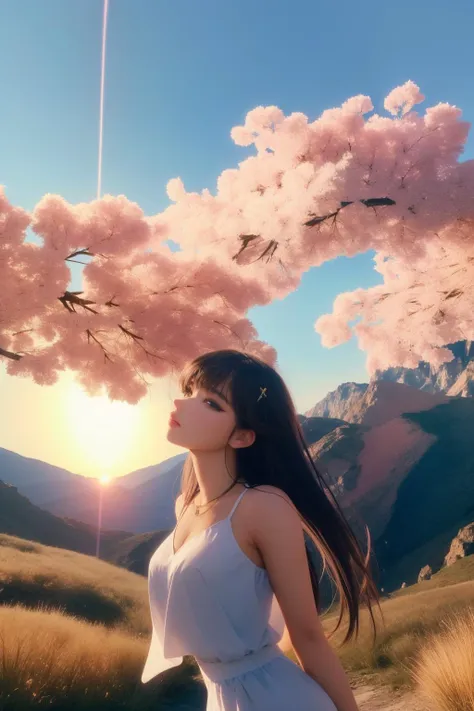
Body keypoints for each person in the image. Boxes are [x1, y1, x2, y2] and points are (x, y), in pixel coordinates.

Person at [141, 349, 379, 710]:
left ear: (243, 437)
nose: (181, 402)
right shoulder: (185, 507)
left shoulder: (262, 506)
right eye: (189, 391)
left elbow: (309, 637)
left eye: (211, 403)